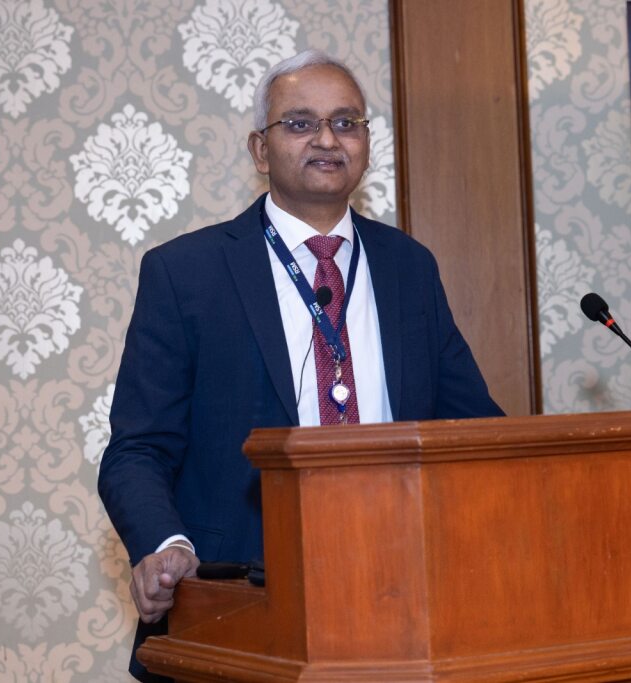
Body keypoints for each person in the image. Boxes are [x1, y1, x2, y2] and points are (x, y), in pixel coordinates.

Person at [97, 49, 503, 681]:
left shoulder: (409, 267)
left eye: (346, 122)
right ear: (261, 150)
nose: (327, 139)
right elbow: (138, 448)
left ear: (366, 144)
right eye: (300, 123)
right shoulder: (186, 272)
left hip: (401, 594)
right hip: (237, 601)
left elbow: (473, 430)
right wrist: (167, 545)